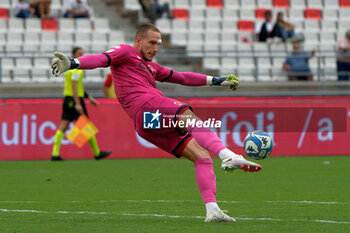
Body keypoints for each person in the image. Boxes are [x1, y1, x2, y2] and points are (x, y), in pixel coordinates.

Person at [51, 23, 262, 222]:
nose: (155, 48)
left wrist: (216, 80)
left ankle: (213, 210)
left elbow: (181, 77)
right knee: (187, 116)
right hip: (148, 106)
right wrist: (73, 63)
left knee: (202, 155)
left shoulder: (151, 67)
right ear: (138, 40)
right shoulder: (125, 52)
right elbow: (101, 59)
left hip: (147, 125)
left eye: (158, 44)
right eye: (151, 43)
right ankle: (228, 156)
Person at [51, 47, 112, 161]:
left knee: (63, 127)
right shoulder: (76, 70)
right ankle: (97, 153)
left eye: (82, 54)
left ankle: (55, 154)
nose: (81, 56)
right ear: (73, 54)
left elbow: (77, 87)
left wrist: (89, 98)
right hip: (75, 100)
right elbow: (75, 87)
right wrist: (78, 104)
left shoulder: (68, 70)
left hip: (67, 100)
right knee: (85, 126)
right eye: (79, 54)